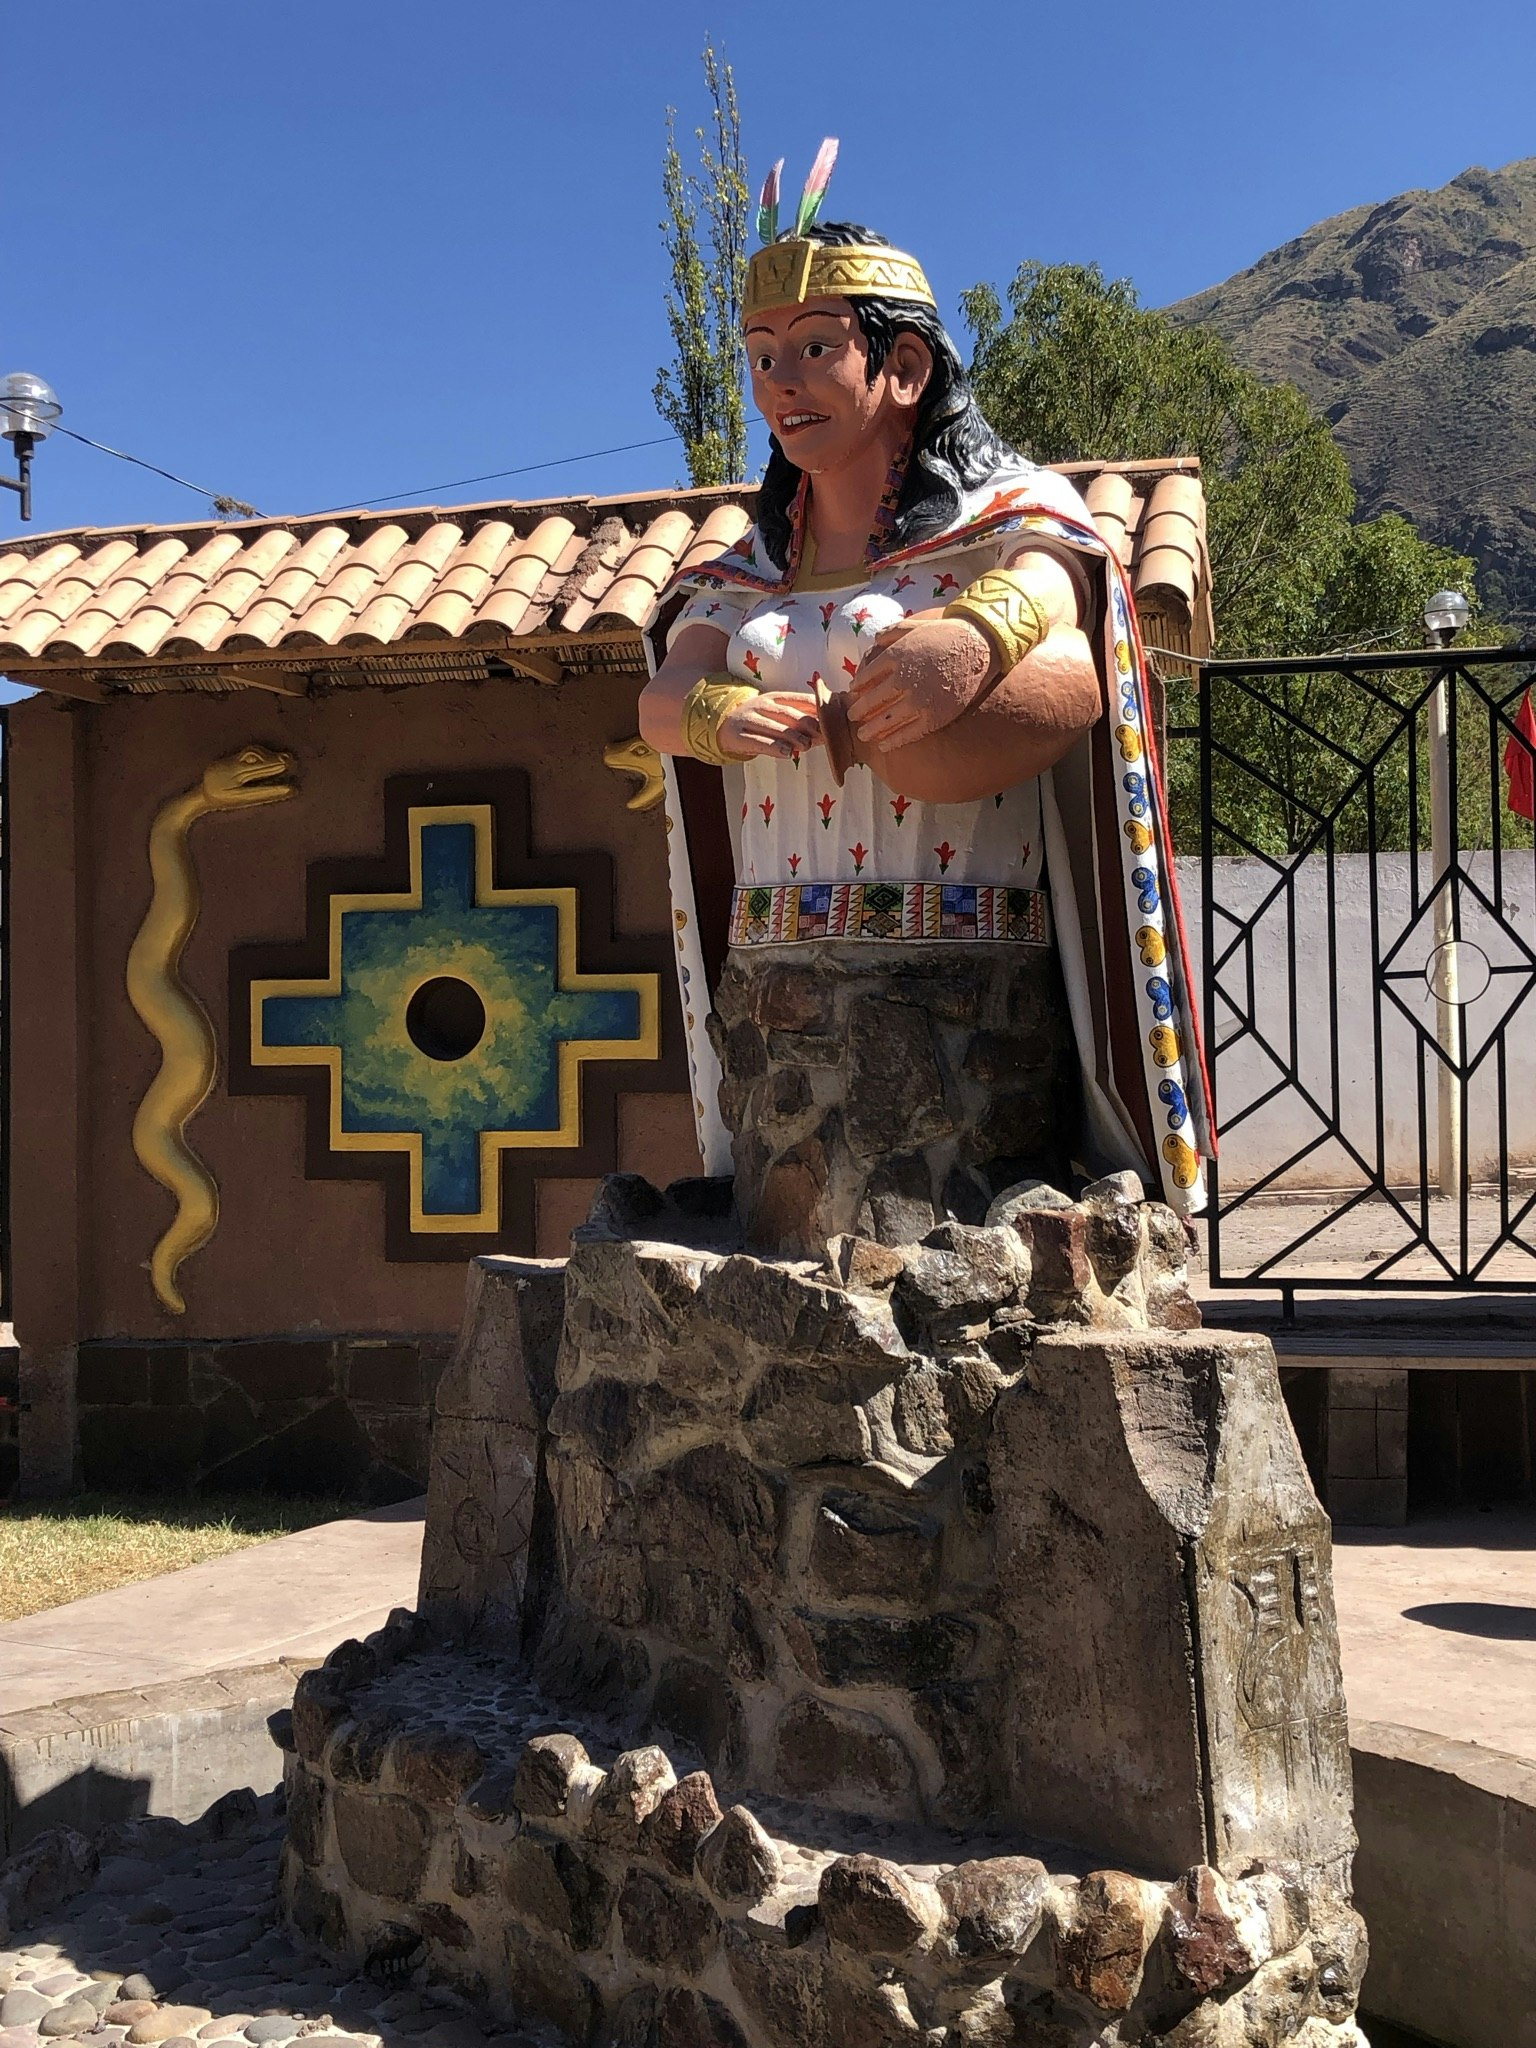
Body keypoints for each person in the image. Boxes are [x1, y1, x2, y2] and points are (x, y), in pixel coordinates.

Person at [640, 158, 1210, 1213]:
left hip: (971, 984)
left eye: (816, 349)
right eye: (762, 357)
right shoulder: (747, 569)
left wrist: (976, 637)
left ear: (903, 366)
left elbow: (1061, 577)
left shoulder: (1001, 520)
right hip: (780, 984)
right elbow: (663, 699)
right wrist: (721, 712)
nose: (781, 382)